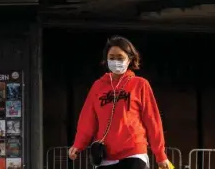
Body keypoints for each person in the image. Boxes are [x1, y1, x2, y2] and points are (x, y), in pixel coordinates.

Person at [68, 36, 174, 169]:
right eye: (111, 57)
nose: (115, 61)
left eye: (120, 57)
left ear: (129, 59)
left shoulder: (140, 84)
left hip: (133, 152)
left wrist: (160, 154)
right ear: (106, 60)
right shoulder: (98, 86)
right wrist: (78, 144)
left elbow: (152, 120)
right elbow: (88, 118)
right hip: (106, 155)